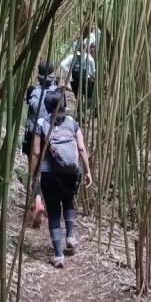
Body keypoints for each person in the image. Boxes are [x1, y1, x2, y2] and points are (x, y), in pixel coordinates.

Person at [30, 88, 92, 267]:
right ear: (64, 105)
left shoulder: (41, 123)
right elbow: (81, 148)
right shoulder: (73, 123)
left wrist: (33, 176)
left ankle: (58, 255)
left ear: (47, 107)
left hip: (50, 174)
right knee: (68, 201)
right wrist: (87, 171)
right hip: (72, 173)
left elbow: (35, 152)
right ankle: (70, 236)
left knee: (54, 212)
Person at [23, 60, 58, 227]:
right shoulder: (58, 92)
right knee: (48, 169)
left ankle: (37, 201)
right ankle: (47, 202)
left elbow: (29, 111)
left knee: (35, 169)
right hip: (50, 135)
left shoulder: (31, 91)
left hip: (32, 135)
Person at [59, 42, 96, 113]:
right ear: (85, 48)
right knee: (89, 97)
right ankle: (83, 108)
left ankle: (79, 114)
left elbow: (62, 64)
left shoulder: (72, 56)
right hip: (85, 79)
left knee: (78, 99)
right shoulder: (88, 56)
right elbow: (93, 70)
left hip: (75, 80)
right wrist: (89, 74)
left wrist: (70, 71)